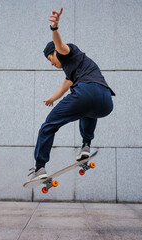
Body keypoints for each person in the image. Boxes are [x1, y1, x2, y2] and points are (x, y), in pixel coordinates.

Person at [28, 8, 115, 180]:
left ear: (54, 53)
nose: (51, 64)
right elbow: (65, 85)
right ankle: (85, 147)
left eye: (50, 59)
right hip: (105, 100)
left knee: (48, 126)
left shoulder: (67, 52)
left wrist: (55, 28)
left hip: (86, 92)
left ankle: (39, 168)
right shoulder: (76, 66)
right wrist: (52, 98)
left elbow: (60, 45)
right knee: (89, 111)